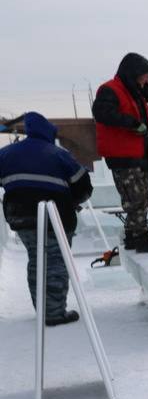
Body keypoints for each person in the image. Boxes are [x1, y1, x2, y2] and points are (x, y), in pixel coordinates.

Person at [0, 112, 92, 325]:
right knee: (55, 261)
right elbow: (83, 186)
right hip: (54, 217)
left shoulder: (6, 154)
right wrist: (74, 202)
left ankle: (43, 310)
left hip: (19, 217)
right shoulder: (58, 154)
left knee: (36, 259)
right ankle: (53, 313)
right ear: (48, 132)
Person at [92, 52, 148, 252]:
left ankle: (133, 235)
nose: (147, 80)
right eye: (146, 75)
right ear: (134, 72)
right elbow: (102, 113)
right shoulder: (110, 90)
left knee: (142, 197)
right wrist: (133, 124)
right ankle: (140, 238)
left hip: (137, 155)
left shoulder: (134, 94)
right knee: (136, 199)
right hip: (123, 156)